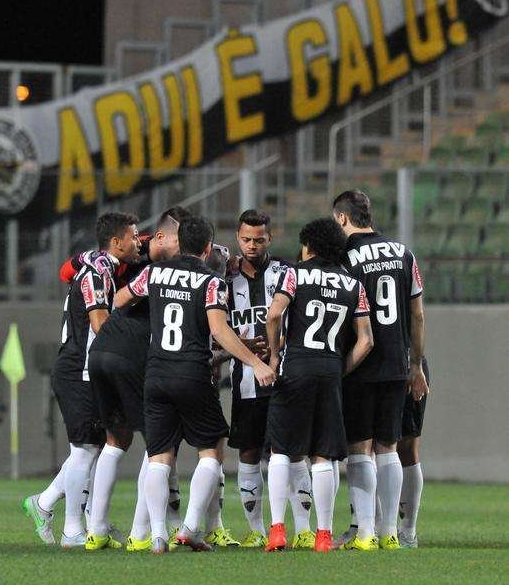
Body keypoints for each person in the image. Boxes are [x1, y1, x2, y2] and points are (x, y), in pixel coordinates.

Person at [114, 215, 276, 553]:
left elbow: (119, 300)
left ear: (177, 242)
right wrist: (255, 361)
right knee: (212, 449)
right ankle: (189, 527)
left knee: (159, 456)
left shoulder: (153, 273)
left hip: (155, 374)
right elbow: (219, 331)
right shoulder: (211, 282)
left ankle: (158, 535)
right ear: (206, 248)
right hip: (191, 373)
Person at [22, 212, 140, 548]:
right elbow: (101, 324)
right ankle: (73, 529)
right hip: (78, 370)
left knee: (94, 447)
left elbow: (67, 269)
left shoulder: (99, 263)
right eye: (133, 236)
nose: (138, 241)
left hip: (87, 369)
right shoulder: (98, 271)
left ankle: (47, 505)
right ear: (117, 242)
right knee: (86, 449)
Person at [84, 207, 191, 551]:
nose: (185, 247)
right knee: (159, 444)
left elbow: (116, 298)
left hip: (101, 350)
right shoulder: (172, 271)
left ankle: (95, 530)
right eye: (180, 240)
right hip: (128, 354)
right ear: (160, 237)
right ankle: (140, 533)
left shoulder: (137, 265)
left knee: (116, 440)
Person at [264, 218, 374, 552]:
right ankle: (324, 535)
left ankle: (278, 530)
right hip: (329, 370)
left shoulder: (295, 273)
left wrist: (272, 356)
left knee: (281, 450)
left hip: (296, 366)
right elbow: (366, 340)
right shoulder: (353, 284)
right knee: (323, 455)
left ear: (308, 245)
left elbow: (273, 315)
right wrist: (341, 369)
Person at [333, 189, 428, 551]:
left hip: (360, 361)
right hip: (397, 362)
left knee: (360, 448)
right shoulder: (404, 253)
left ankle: (365, 532)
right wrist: (415, 364)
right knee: (389, 447)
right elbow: (417, 314)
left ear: (342, 218)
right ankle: (391, 532)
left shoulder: (346, 256)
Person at [227, 209, 314, 549]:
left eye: (259, 239)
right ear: (237, 238)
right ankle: (255, 529)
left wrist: (278, 346)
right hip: (245, 379)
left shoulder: (285, 272)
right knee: (248, 451)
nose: (252, 245)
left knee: (291, 451)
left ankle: (304, 528)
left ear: (270, 238)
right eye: (246, 239)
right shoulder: (225, 278)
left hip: (285, 377)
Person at [397, 355, 430, 547]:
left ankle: (408, 532)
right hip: (373, 364)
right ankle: (373, 528)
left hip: (406, 360)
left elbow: (418, 322)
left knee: (407, 447)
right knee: (367, 447)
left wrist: (416, 365)